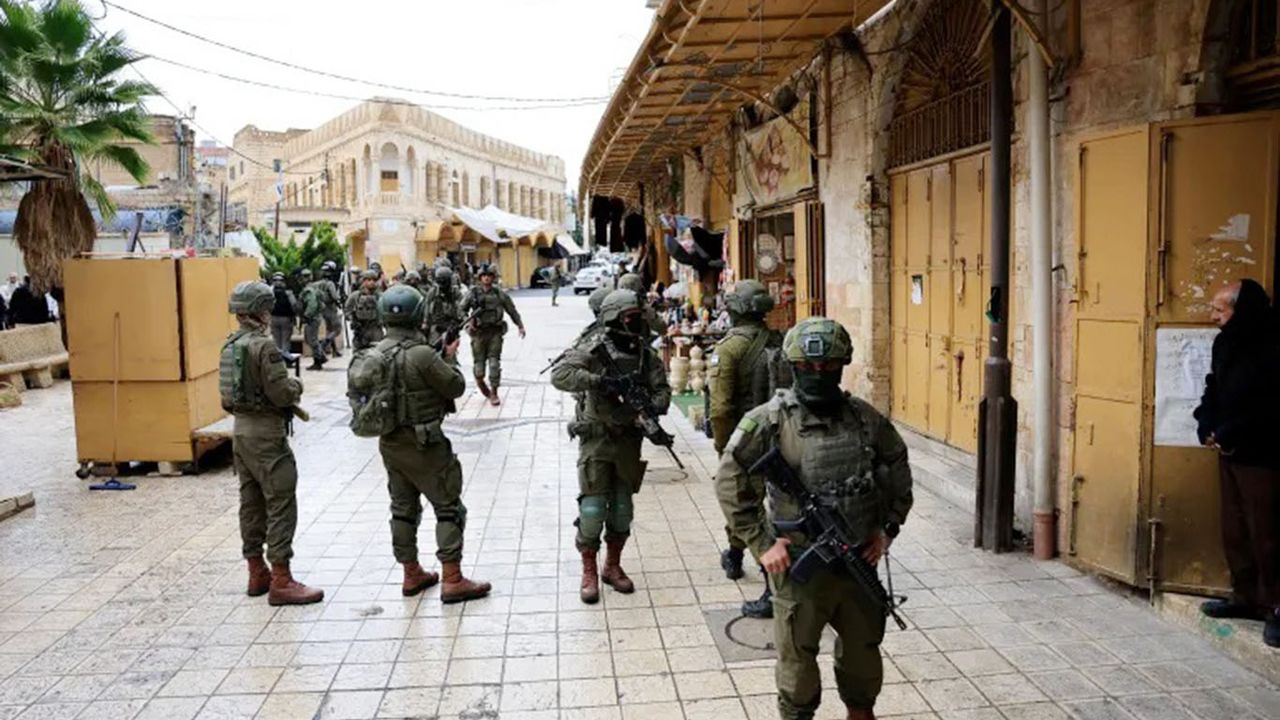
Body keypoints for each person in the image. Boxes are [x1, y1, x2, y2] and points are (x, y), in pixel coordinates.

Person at [716, 317, 913, 720]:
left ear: (842, 365)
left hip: (858, 563)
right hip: (799, 567)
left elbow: (897, 467)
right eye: (808, 366)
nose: (818, 373)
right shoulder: (769, 420)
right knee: (797, 661)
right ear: (793, 366)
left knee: (863, 651)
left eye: (828, 365)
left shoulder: (864, 418)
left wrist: (887, 528)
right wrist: (761, 544)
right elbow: (729, 480)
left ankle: (860, 712)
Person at [367, 285, 491, 602]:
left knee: (402, 509)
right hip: (425, 444)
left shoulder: (375, 353)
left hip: (390, 443)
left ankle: (411, 573)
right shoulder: (422, 354)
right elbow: (455, 387)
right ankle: (453, 578)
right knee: (448, 508)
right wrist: (449, 357)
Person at [551, 290, 671, 604]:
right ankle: (588, 570)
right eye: (630, 317)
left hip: (628, 440)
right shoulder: (593, 347)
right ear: (614, 318)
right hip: (597, 439)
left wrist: (647, 408)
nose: (636, 322)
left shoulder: (645, 354)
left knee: (622, 511)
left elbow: (662, 391)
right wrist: (601, 382)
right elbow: (560, 375)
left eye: (638, 317)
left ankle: (612, 566)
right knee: (592, 510)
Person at [218, 281, 324, 606]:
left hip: (241, 432)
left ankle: (256, 571)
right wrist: (296, 386)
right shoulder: (263, 347)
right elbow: (281, 393)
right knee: (280, 501)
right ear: (261, 310)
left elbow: (226, 399)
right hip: (267, 434)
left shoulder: (229, 346)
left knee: (250, 503)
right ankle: (281, 578)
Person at [1194, 279, 1280, 647]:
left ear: (1241, 311)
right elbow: (1214, 386)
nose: (1213, 316)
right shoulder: (1225, 343)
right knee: (1235, 528)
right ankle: (1245, 596)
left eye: (1220, 310)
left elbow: (1269, 406)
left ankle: (1275, 607)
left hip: (1262, 455)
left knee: (1268, 534)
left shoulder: (1272, 348)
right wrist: (1206, 422)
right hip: (1229, 452)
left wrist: (1230, 430)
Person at [709, 279, 780, 618]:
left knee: (744, 504)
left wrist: (723, 446)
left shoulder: (729, 348)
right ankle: (734, 554)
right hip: (782, 435)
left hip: (745, 439)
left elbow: (721, 408)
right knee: (770, 504)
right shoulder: (781, 341)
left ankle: (772, 585)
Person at [460, 264, 525, 406]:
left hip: (495, 332)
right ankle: (484, 388)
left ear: (493, 278)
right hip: (478, 334)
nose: (486, 278)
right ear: (480, 278)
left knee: (494, 363)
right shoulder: (473, 293)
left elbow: (511, 310)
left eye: (489, 276)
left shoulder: (499, 294)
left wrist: (520, 325)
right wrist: (469, 322)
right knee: (479, 368)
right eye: (484, 276)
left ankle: (494, 393)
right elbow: (461, 309)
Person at [345, 270, 384, 351]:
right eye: (369, 280)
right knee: (358, 353)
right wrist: (353, 319)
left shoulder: (380, 296)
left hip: (376, 329)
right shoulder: (355, 296)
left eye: (374, 280)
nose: (372, 282)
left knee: (378, 352)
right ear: (364, 281)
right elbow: (347, 310)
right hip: (361, 330)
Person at [425, 265, 463, 348]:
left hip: (451, 326)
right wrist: (425, 324)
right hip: (436, 327)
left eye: (444, 280)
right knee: (435, 349)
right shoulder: (433, 292)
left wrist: (461, 320)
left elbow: (462, 307)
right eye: (440, 280)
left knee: (450, 351)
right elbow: (427, 308)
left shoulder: (455, 292)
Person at [297, 269, 328, 370]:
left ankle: (318, 361)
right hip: (315, 317)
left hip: (312, 318)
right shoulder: (313, 288)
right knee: (309, 339)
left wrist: (306, 315)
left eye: (301, 278)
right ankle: (321, 357)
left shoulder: (309, 290)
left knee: (312, 340)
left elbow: (312, 304)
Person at [268, 273, 299, 356]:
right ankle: (285, 358)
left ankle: (278, 358)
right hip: (286, 319)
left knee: (276, 340)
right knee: (286, 340)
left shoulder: (270, 293)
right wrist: (295, 315)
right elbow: (294, 305)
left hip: (273, 318)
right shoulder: (288, 293)